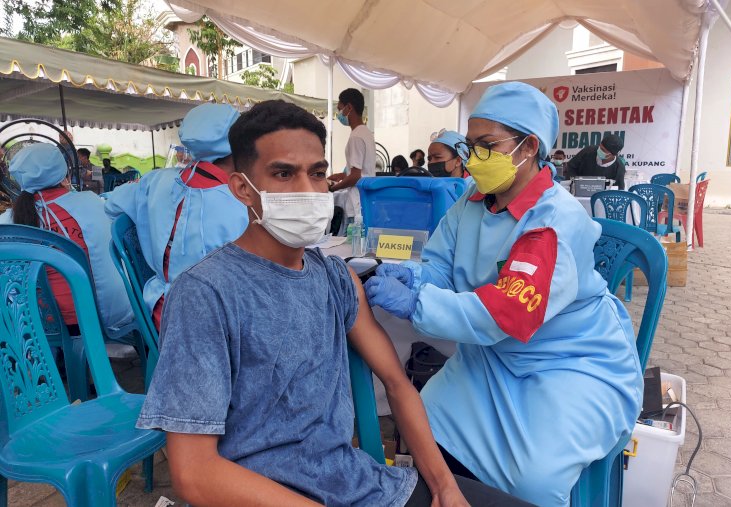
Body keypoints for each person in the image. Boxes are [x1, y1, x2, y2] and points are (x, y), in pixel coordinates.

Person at [136, 100, 531, 507]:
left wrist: (444, 487)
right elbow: (193, 474)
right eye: (284, 174)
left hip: (357, 484)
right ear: (241, 188)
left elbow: (397, 385)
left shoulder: (334, 277)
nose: (308, 191)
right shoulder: (205, 293)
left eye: (318, 173)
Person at [363, 82, 643, 507]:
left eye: (486, 145)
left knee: (533, 479)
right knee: (424, 424)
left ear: (529, 147)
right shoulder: (473, 203)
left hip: (570, 364)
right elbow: (441, 263)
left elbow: (508, 313)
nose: (473, 158)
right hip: (493, 357)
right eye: (471, 146)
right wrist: (415, 277)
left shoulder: (552, 222)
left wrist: (418, 302)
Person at [105, 103, 248, 331]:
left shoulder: (155, 180)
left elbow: (111, 205)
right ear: (242, 146)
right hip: (208, 322)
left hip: (159, 306)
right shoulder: (241, 205)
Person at [0, 143, 133, 334]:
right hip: (102, 315)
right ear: (62, 171)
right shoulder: (92, 203)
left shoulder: (7, 223)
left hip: (35, 323)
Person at [328, 88, 376, 219]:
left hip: (357, 202)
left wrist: (332, 189)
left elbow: (356, 176)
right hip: (366, 198)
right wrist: (342, 175)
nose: (339, 114)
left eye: (340, 109)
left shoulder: (356, 137)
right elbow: (362, 169)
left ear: (349, 107)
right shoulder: (366, 133)